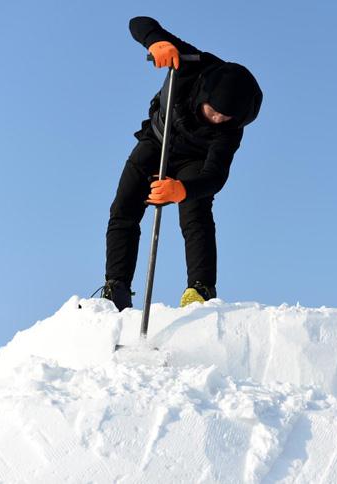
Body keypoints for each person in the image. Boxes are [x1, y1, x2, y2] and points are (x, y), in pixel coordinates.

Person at [99, 16, 263, 311]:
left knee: (196, 213)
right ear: (205, 94)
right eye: (213, 111)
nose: (216, 119)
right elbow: (139, 22)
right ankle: (116, 288)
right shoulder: (190, 62)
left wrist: (182, 190)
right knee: (124, 207)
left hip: (194, 162)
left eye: (225, 118)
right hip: (158, 141)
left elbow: (215, 176)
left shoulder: (230, 129)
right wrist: (155, 41)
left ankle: (200, 290)